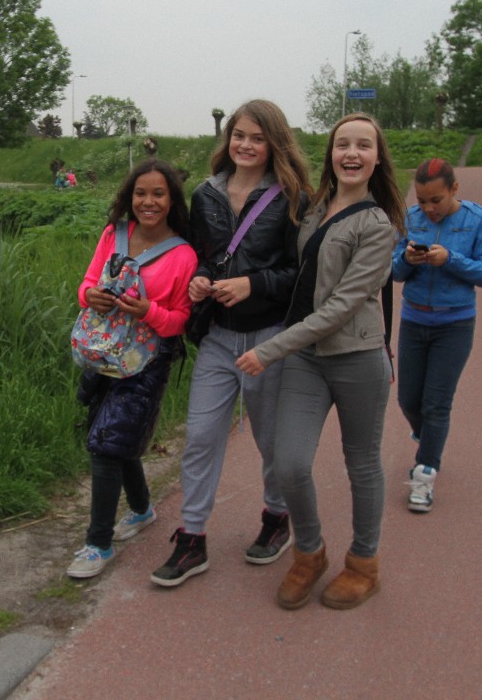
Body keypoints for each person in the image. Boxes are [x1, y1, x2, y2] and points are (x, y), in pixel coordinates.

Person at [237, 112, 406, 610]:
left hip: (357, 359)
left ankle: (364, 564)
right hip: (307, 361)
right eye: (342, 145)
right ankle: (309, 553)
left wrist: (270, 349)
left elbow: (339, 308)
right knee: (289, 463)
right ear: (331, 154)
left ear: (377, 158)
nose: (351, 154)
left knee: (362, 464)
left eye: (363, 146)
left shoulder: (379, 226)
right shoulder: (312, 209)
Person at [151, 99, 310, 588]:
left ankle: (276, 517)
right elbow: (203, 255)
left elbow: (301, 274)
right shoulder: (206, 194)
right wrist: (200, 278)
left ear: (274, 143)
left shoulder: (294, 197)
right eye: (239, 135)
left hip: (269, 337)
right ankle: (192, 537)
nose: (245, 145)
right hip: (218, 337)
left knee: (270, 440)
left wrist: (252, 285)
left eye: (257, 138)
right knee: (201, 435)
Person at [68, 159, 197, 579]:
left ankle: (98, 544)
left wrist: (148, 311)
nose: (148, 202)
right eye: (141, 193)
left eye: (159, 194)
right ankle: (141, 509)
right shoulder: (114, 234)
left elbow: (181, 320)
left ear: (172, 200)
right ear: (130, 196)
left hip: (147, 362)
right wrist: (91, 296)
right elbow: (87, 282)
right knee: (113, 435)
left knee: (106, 443)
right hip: (103, 354)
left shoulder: (183, 255)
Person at [392, 158, 482, 513]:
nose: (428, 209)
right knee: (408, 399)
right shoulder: (410, 219)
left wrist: (450, 259)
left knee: (437, 403)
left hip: (455, 325)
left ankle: (424, 476)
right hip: (413, 320)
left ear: (454, 189)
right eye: (422, 200)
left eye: (436, 200)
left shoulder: (478, 219)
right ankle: (429, 437)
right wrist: (407, 260)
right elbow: (394, 271)